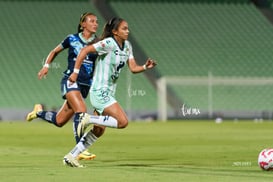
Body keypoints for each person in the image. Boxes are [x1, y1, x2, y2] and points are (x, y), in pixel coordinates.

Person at [63, 17, 157, 167]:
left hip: (108, 92)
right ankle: (87, 118)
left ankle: (71, 156)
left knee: (99, 131)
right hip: (100, 91)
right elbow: (84, 50)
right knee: (123, 122)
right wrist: (75, 72)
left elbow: (133, 68)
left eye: (127, 28)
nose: (127, 31)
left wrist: (145, 67)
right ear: (115, 32)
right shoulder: (108, 43)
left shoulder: (127, 46)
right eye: (124, 29)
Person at [26, 12, 102, 161]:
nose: (95, 24)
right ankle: (80, 149)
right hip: (70, 81)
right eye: (92, 21)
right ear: (83, 24)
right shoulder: (71, 39)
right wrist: (46, 66)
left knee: (59, 121)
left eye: (97, 21)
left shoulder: (99, 42)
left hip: (86, 85)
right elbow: (55, 51)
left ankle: (38, 112)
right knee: (81, 111)